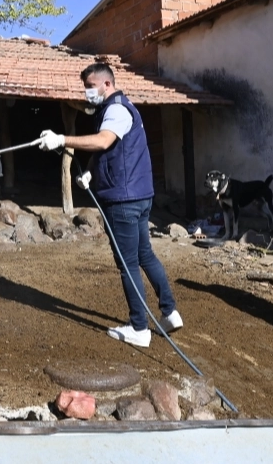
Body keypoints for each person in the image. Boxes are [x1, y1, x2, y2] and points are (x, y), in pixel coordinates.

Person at [38, 62, 182, 348]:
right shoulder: (121, 108)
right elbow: (115, 150)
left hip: (124, 200)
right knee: (145, 255)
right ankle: (170, 312)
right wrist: (92, 170)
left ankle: (139, 328)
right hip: (139, 196)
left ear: (106, 84)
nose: (87, 92)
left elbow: (104, 141)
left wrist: (61, 140)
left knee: (127, 263)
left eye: (90, 87)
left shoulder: (115, 109)